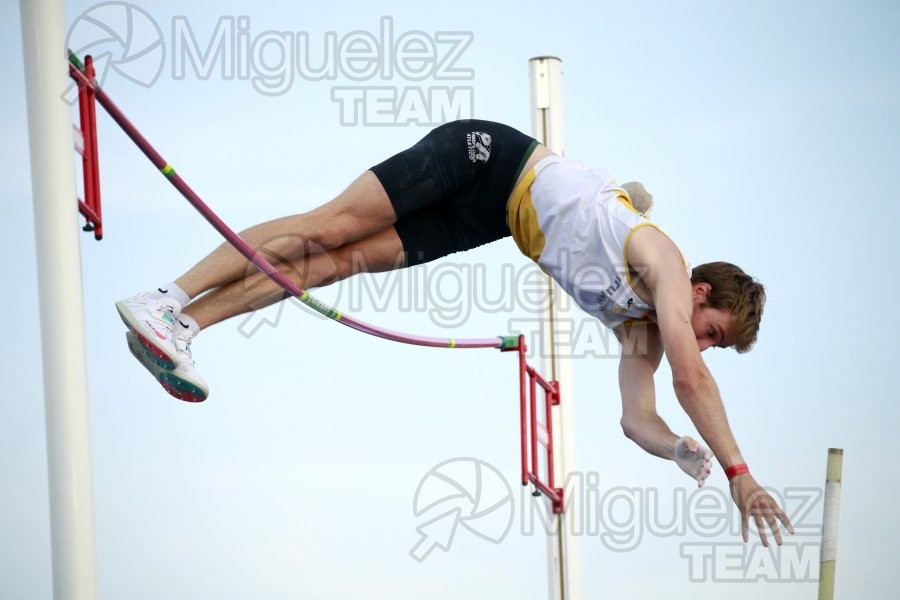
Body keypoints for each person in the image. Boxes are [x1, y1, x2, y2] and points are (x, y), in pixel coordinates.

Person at [116, 119, 793, 546]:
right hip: (488, 160)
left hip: (488, 221)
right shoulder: (668, 266)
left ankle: (182, 325)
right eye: (713, 332)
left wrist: (675, 447)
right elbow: (688, 378)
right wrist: (740, 473)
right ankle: (165, 293)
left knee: (329, 266)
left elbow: (636, 415)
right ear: (701, 294)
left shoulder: (640, 328)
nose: (703, 346)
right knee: (327, 228)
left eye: (713, 344)